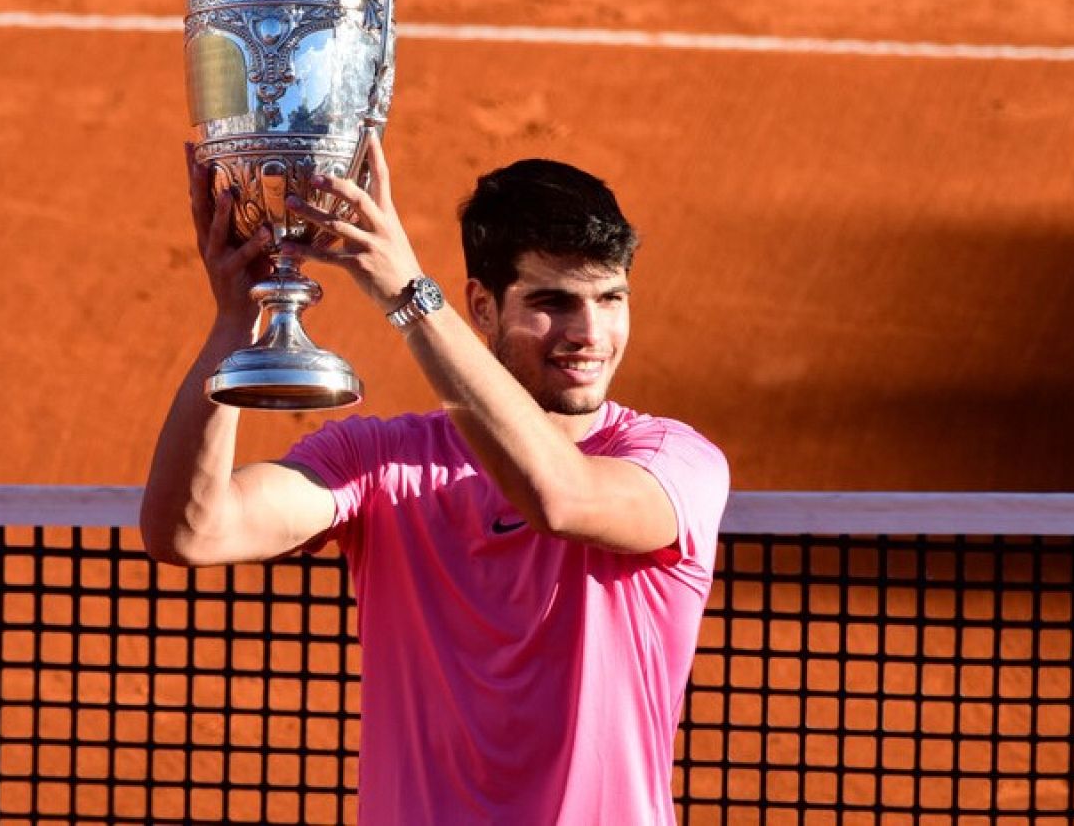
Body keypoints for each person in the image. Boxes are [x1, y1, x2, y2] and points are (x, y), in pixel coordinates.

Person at [140, 134, 730, 825]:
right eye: (554, 302)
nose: (589, 332)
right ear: (482, 308)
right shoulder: (383, 465)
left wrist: (407, 297)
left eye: (610, 298)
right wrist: (235, 328)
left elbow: (561, 497)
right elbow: (190, 530)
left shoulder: (674, 462)